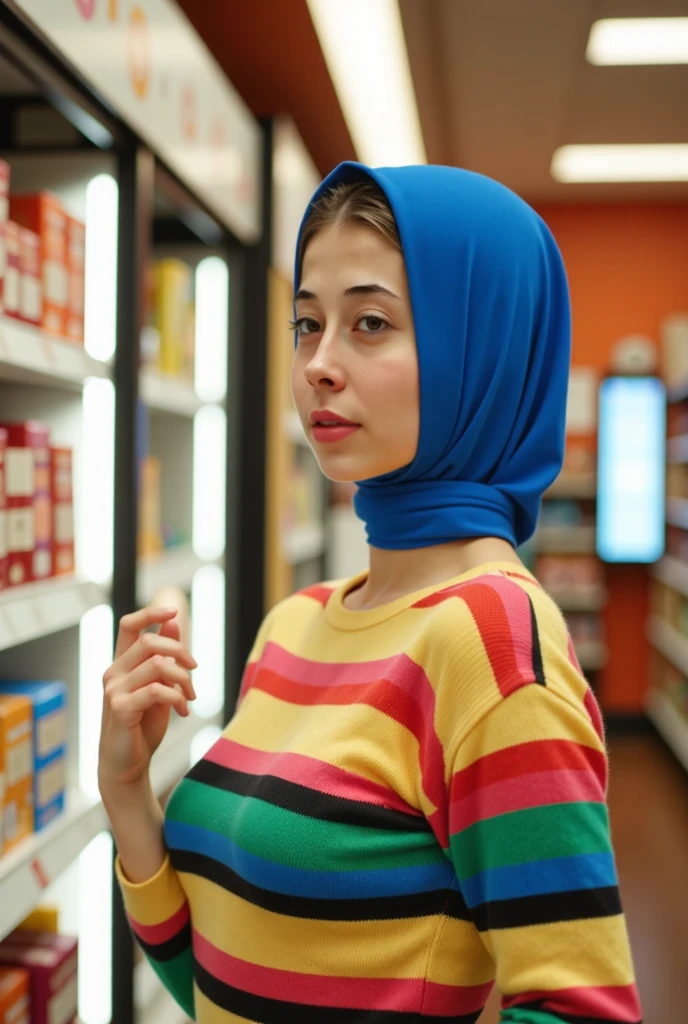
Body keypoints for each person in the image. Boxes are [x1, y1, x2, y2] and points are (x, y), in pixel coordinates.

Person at [98, 163, 642, 1023]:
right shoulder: (295, 622)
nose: (318, 364)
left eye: (372, 322)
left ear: (483, 349)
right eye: (307, 323)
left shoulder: (489, 641)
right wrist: (129, 795)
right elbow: (223, 981)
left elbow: (584, 1008)